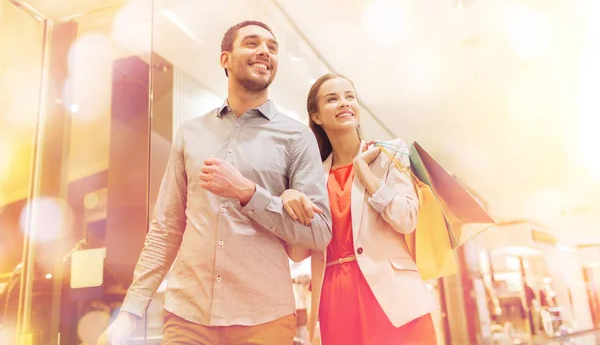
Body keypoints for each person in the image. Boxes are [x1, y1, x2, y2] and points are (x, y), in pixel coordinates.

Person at [98, 21, 332, 345]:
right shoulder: (190, 133)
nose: (265, 51)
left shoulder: (297, 137)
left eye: (272, 47)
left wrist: (250, 194)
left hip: (264, 319)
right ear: (226, 59)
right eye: (252, 43)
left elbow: (319, 232)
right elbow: (165, 229)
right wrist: (130, 312)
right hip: (187, 317)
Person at [284, 74, 438, 345]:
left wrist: (364, 172)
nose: (344, 103)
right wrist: (289, 200)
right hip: (335, 297)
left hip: (393, 295)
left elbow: (406, 219)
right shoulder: (312, 176)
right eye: (332, 99)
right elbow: (298, 253)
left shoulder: (390, 153)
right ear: (316, 116)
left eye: (349, 96)